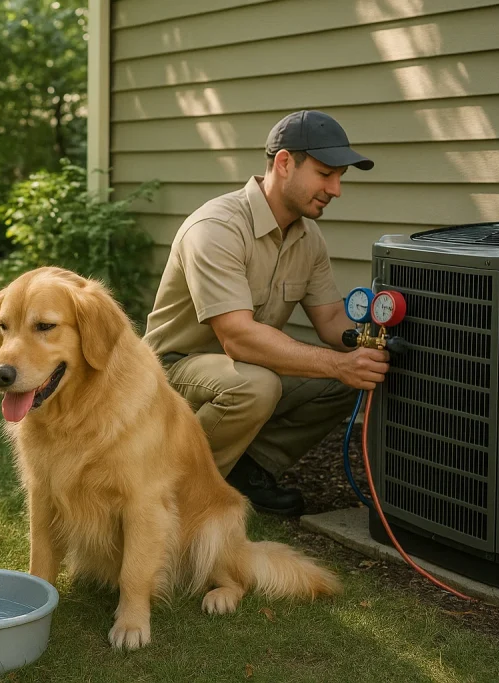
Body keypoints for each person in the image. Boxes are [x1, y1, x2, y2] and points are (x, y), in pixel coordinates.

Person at [142, 110, 389, 517]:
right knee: (257, 386)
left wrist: (373, 346)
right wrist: (336, 364)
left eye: (340, 177)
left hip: (239, 367)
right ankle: (175, 493)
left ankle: (245, 471)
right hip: (169, 373)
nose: (337, 189)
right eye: (326, 174)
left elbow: (331, 322)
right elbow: (237, 337)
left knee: (347, 379)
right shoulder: (217, 227)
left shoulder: (308, 239)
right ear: (285, 163)